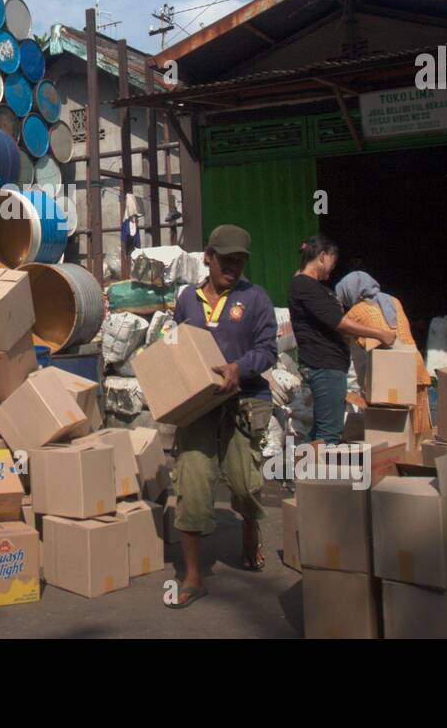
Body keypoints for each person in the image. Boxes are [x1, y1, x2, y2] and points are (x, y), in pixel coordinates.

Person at [167, 225, 278, 609]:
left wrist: (239, 367)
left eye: (240, 260)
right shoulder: (187, 299)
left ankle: (249, 527)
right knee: (193, 481)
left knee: (246, 484)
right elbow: (178, 344)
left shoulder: (256, 298)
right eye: (226, 258)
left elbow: (268, 350)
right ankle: (193, 576)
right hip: (198, 406)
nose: (233, 265)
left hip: (243, 401)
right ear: (208, 258)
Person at [288, 236, 397, 444]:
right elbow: (338, 321)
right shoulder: (304, 285)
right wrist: (379, 333)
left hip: (330, 364)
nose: (332, 268)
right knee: (330, 433)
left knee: (322, 428)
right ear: (322, 257)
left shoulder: (314, 287)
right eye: (333, 261)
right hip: (324, 363)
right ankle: (313, 475)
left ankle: (294, 470)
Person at [335, 271, 434, 440]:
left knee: (391, 429)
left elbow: (340, 333)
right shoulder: (394, 301)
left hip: (389, 378)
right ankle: (419, 457)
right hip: (414, 367)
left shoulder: (356, 312)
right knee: (418, 422)